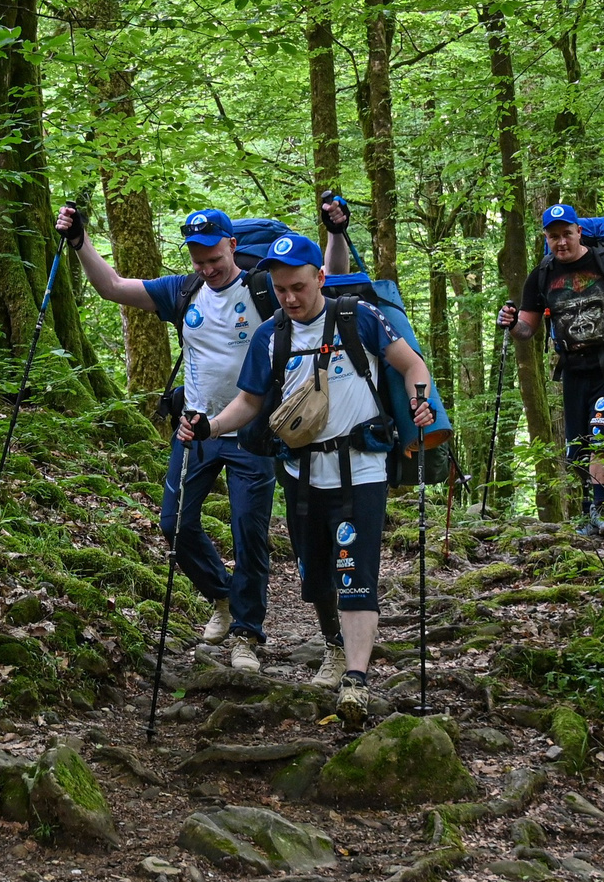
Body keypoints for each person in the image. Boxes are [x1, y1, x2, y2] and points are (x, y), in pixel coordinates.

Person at [176, 233, 435, 714]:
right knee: (316, 577)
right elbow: (249, 403)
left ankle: (355, 678)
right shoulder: (270, 336)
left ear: (320, 277)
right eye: (280, 290)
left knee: (355, 572)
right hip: (301, 473)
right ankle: (334, 646)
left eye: (298, 286)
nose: (290, 298)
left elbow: (410, 363)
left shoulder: (358, 318)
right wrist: (209, 425)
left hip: (362, 468)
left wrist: (419, 403)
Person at [59, 202, 276, 675]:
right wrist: (81, 243)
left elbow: (318, 291)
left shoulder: (266, 288)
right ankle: (221, 595)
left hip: (253, 433)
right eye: (199, 259)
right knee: (173, 524)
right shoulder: (184, 290)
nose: (208, 267)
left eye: (215, 256)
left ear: (232, 246)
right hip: (193, 428)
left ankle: (246, 634)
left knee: (249, 534)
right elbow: (113, 287)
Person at [498, 205, 604, 536]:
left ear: (579, 232)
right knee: (577, 447)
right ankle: (586, 516)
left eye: (567, 233)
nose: (562, 242)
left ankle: (600, 512)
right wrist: (511, 324)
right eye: (554, 236)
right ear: (546, 238)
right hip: (573, 370)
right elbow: (527, 329)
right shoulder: (541, 276)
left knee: (601, 433)